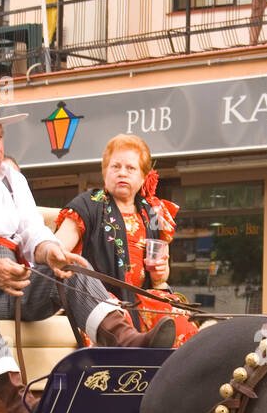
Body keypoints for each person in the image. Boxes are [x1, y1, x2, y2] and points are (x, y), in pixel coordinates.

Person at [0, 97, 174, 413]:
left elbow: (32, 233)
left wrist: (51, 251)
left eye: (0, 136)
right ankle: (20, 403)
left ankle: (130, 342)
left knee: (71, 267)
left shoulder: (11, 180)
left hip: (7, 286)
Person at [55, 134, 184, 336]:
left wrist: (160, 275)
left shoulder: (153, 212)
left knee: (182, 329)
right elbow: (56, 251)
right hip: (101, 302)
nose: (122, 173)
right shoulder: (87, 204)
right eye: (115, 167)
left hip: (145, 301)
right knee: (115, 319)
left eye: (131, 168)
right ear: (105, 172)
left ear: (143, 176)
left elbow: (161, 274)